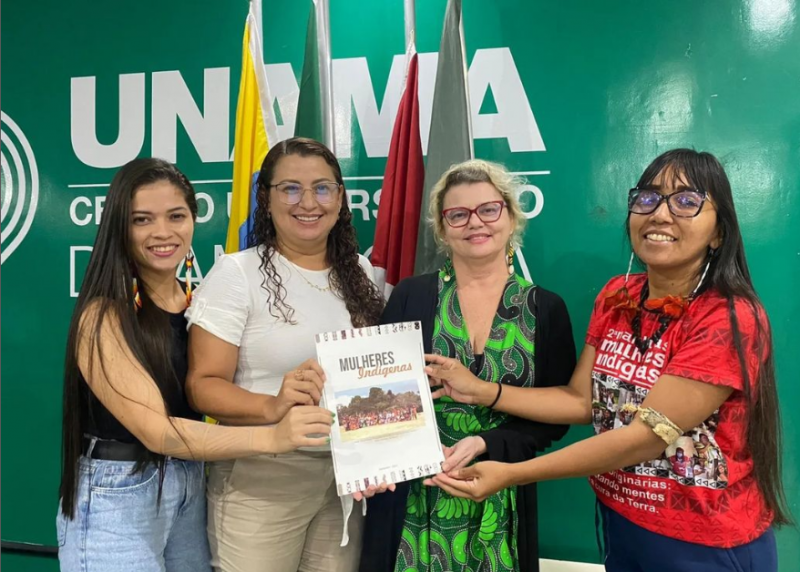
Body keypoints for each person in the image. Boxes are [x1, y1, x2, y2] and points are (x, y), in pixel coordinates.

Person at [425, 149, 788, 571]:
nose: (660, 214)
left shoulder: (729, 316)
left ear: (718, 233)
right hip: (621, 522)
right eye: (647, 198)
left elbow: (647, 436)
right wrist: (481, 390)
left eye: (686, 201)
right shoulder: (619, 295)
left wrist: (510, 473)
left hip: (703, 540)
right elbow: (582, 401)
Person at [57, 158, 334, 572]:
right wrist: (273, 437)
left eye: (176, 216)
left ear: (193, 218)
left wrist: (274, 404)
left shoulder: (195, 302)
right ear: (119, 226)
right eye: (142, 220)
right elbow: (159, 432)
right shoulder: (103, 316)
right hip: (119, 494)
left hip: (189, 482)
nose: (163, 232)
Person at [359, 160, 576, 572]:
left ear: (511, 217)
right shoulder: (411, 297)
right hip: (412, 496)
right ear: (443, 229)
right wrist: (374, 460)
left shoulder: (546, 309)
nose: (475, 223)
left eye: (489, 209)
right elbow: (377, 398)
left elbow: (555, 416)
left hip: (500, 495)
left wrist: (484, 443)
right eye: (458, 214)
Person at [185, 138, 386, 572]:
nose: (308, 202)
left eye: (322, 188)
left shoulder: (362, 272)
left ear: (340, 198)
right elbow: (202, 386)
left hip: (345, 478)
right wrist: (273, 406)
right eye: (291, 188)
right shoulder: (237, 274)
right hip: (263, 474)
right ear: (267, 198)